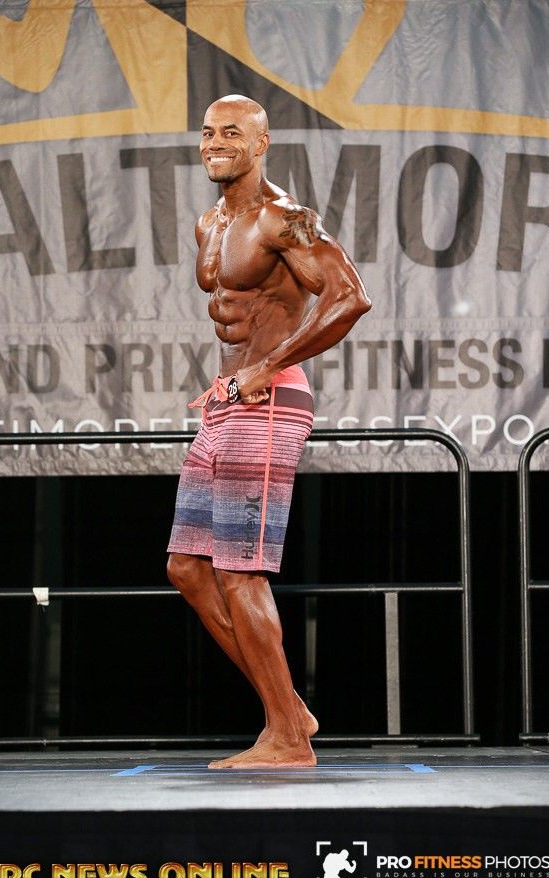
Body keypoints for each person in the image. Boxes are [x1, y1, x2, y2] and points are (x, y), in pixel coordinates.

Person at [167, 94, 371, 768]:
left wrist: (266, 365)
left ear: (261, 144)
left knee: (239, 570)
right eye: (207, 133)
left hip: (272, 400)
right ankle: (288, 711)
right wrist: (235, 378)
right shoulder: (209, 223)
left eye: (232, 132)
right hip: (227, 402)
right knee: (188, 568)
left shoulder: (286, 217)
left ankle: (287, 737)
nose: (215, 143)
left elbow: (350, 297)